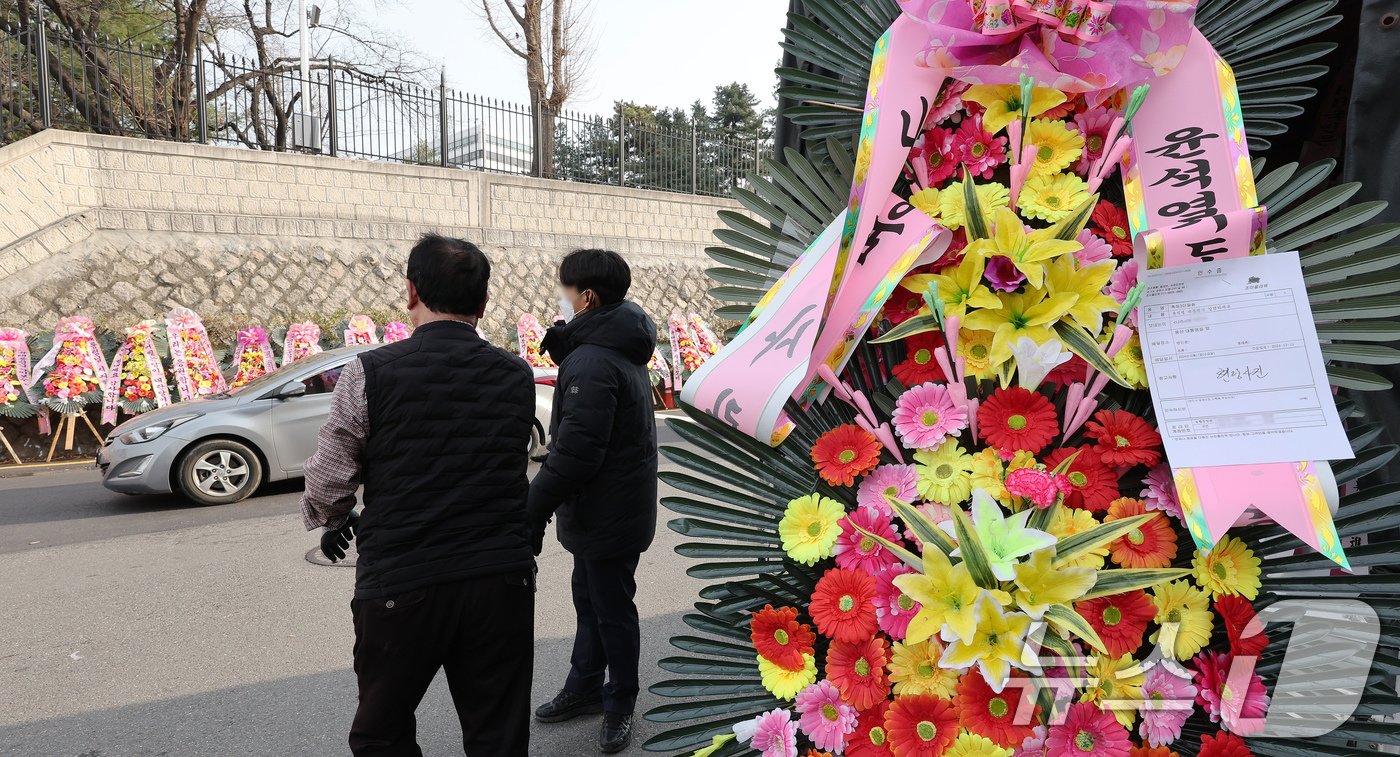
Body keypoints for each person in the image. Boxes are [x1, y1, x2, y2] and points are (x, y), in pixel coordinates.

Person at [301, 234, 537, 757]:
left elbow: (329, 479)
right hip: (501, 577)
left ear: (411, 291)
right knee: (497, 732)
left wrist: (336, 516)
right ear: (482, 302)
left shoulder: (369, 372)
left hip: (403, 579)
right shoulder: (516, 374)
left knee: (380, 733)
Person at [528, 248, 659, 754]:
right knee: (593, 602)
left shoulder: (593, 360)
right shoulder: (613, 348)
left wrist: (533, 506)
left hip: (608, 512)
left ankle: (620, 701)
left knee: (610, 609)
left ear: (587, 297)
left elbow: (576, 453)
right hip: (611, 509)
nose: (561, 299)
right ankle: (584, 687)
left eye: (566, 290)